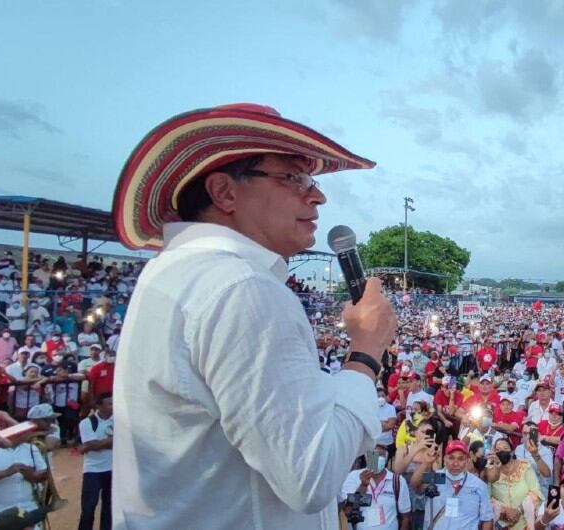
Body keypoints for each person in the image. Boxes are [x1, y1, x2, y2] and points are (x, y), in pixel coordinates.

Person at [111, 103, 396, 528]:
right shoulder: (242, 289)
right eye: (293, 178)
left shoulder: (173, 271)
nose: (317, 195)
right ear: (225, 193)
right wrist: (366, 352)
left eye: (311, 180)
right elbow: (311, 476)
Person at [0, 426, 49, 527]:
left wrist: (32, 475)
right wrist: (6, 473)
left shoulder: (31, 448)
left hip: (28, 513)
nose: (30, 433)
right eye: (27, 430)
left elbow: (42, 477)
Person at [411, 440, 493, 530]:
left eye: (460, 459)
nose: (455, 463)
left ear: (467, 460)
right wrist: (426, 463)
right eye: (451, 458)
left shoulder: (478, 485)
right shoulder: (436, 477)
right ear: (444, 458)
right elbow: (415, 485)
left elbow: (487, 519)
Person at [340, 444, 411, 530]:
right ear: (366, 456)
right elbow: (348, 511)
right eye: (373, 454)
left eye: (380, 455)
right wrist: (363, 486)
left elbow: (406, 517)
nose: (377, 458)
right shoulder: (354, 477)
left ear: (386, 457)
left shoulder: (397, 481)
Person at [485, 437, 542, 530]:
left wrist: (518, 511)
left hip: (525, 521)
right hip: (501, 522)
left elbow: (536, 493)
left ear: (512, 452)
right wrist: (505, 511)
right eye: (498, 450)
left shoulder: (524, 466)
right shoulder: (491, 470)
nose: (501, 451)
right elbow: (486, 498)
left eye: (505, 449)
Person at [79, 392, 113, 530]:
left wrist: (94, 445)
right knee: (88, 507)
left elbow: (91, 446)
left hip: (112, 469)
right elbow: (92, 445)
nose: (113, 406)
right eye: (109, 404)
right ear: (99, 406)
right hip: (92, 470)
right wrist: (115, 439)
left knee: (109, 507)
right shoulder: (87, 422)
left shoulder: (118, 420)